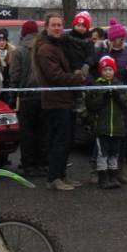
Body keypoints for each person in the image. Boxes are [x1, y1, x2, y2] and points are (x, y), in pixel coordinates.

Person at [33, 12, 86, 191]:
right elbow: (55, 76)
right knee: (59, 140)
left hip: (65, 99)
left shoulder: (59, 45)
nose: (57, 28)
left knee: (67, 139)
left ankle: (62, 175)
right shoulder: (45, 49)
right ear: (47, 27)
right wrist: (78, 78)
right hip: (55, 101)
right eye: (54, 25)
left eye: (59, 25)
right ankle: (53, 178)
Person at [90, 18, 127, 184]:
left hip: (121, 96)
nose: (122, 39)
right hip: (105, 97)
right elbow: (95, 72)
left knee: (120, 136)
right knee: (102, 137)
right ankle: (97, 170)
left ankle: (118, 170)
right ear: (112, 38)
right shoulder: (103, 54)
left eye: (123, 37)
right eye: (119, 37)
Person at [85, 56, 127, 189]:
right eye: (105, 69)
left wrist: (118, 97)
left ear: (114, 70)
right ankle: (103, 178)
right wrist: (103, 99)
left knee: (114, 153)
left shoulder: (120, 85)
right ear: (101, 71)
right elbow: (91, 105)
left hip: (117, 127)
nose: (107, 72)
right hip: (102, 127)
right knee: (102, 153)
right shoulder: (96, 86)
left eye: (110, 69)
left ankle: (113, 176)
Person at [10, 20, 47, 177]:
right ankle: (41, 164)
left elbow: (14, 76)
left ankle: (28, 165)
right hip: (44, 96)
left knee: (27, 133)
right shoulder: (44, 48)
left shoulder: (18, 51)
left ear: (23, 33)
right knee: (42, 131)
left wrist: (12, 97)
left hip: (26, 97)